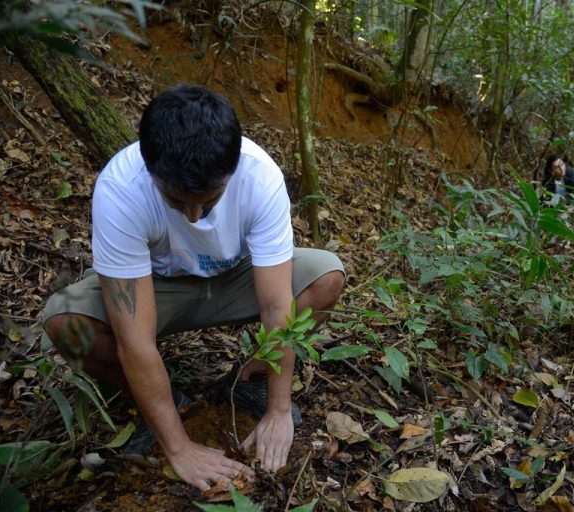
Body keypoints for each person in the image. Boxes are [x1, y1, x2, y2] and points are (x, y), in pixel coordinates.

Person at [42, 85, 346, 491]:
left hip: (235, 277)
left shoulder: (259, 175)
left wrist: (279, 409)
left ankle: (247, 383)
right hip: (158, 285)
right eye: (178, 200)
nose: (195, 215)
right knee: (65, 324)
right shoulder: (121, 189)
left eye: (210, 200)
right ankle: (168, 406)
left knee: (325, 276)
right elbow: (135, 340)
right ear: (152, 172)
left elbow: (277, 307)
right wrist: (180, 449)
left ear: (232, 169)